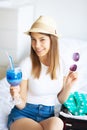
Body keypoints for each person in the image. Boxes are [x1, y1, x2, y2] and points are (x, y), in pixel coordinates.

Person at [7, 15, 78, 130]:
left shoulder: (63, 64)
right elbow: (22, 104)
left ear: (52, 40)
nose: (37, 45)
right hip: (24, 114)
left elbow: (61, 99)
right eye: (33, 40)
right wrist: (15, 96)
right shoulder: (26, 64)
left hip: (47, 115)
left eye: (42, 39)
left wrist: (69, 85)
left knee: (58, 123)